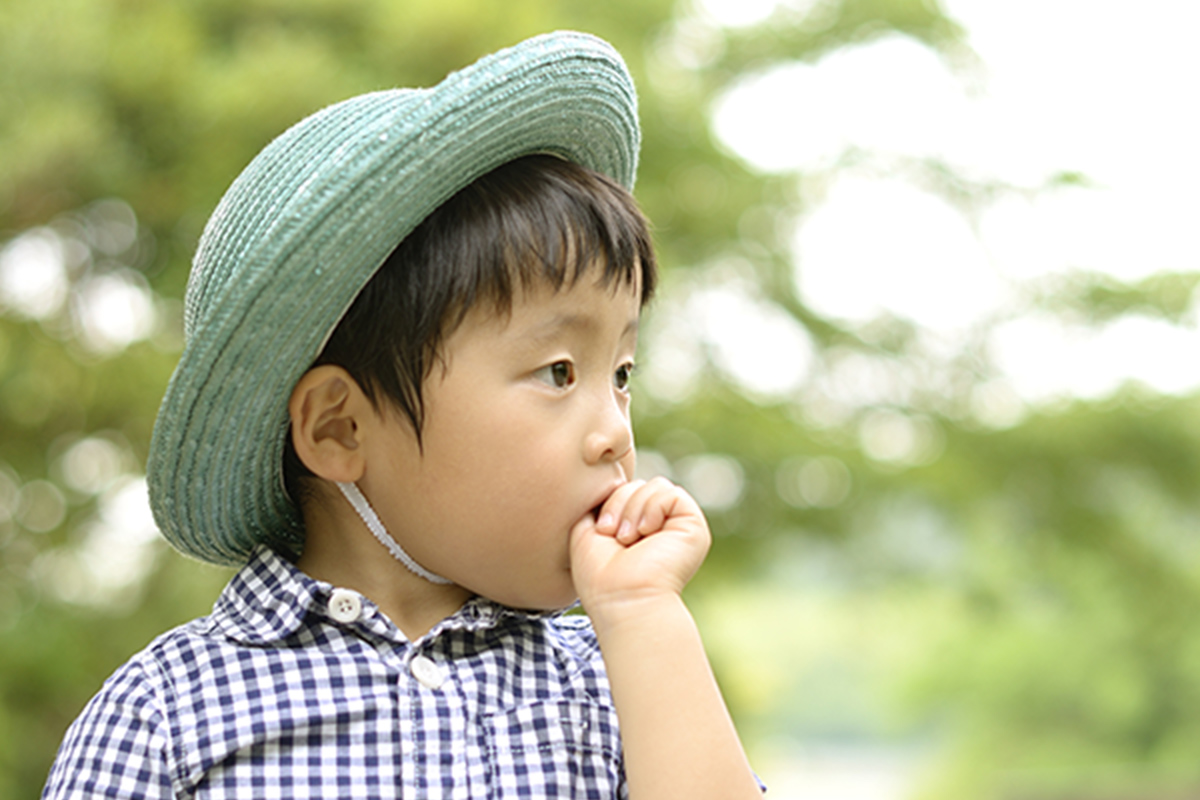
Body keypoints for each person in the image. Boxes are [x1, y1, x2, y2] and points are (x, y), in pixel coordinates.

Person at [42, 31, 762, 799]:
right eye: (558, 371)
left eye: (620, 374)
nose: (616, 431)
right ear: (338, 428)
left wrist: (645, 615)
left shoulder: (615, 683)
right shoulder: (167, 717)